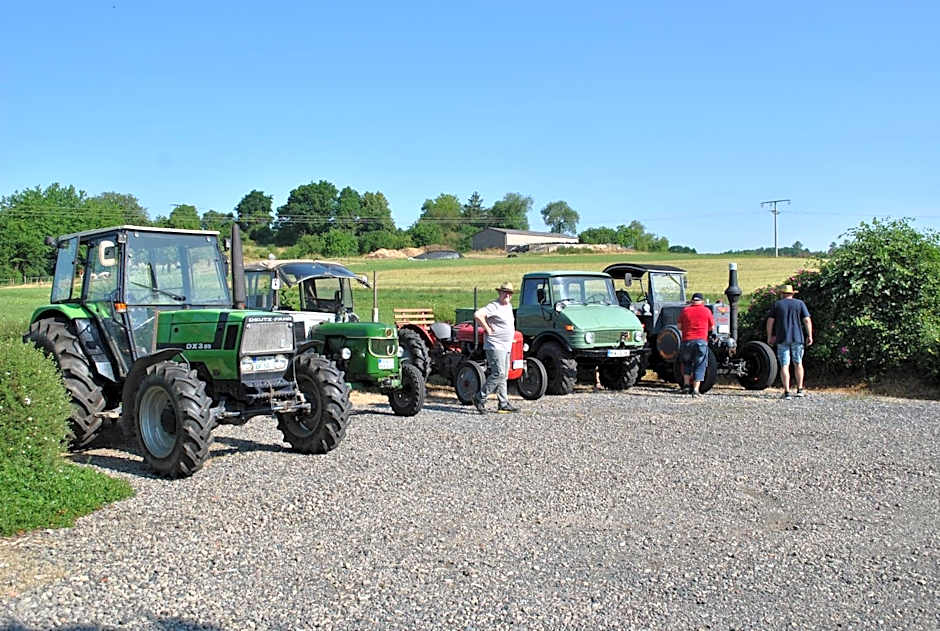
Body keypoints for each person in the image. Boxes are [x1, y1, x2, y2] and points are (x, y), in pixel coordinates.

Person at [472, 282, 519, 414]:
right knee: (499, 373)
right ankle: (479, 397)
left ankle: (503, 402)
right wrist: (487, 328)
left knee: (504, 374)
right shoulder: (494, 306)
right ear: (499, 293)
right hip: (495, 345)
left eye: (509, 293)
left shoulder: (508, 306)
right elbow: (478, 315)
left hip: (506, 345)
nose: (507, 295)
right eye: (504, 292)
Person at [766, 284, 813, 400]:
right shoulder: (800, 304)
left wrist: (770, 336)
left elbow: (770, 321)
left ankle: (786, 391)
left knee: (784, 365)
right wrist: (810, 335)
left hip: (782, 338)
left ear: (782, 294)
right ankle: (800, 389)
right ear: (792, 294)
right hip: (797, 337)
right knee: (798, 363)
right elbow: (807, 320)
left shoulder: (777, 305)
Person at [678, 292, 715, 397]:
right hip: (701, 341)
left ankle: (685, 386)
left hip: (687, 341)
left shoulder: (685, 311)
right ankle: (695, 389)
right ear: (702, 301)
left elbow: (679, 327)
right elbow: (712, 327)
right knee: (700, 364)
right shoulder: (706, 311)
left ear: (692, 301)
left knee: (686, 363)